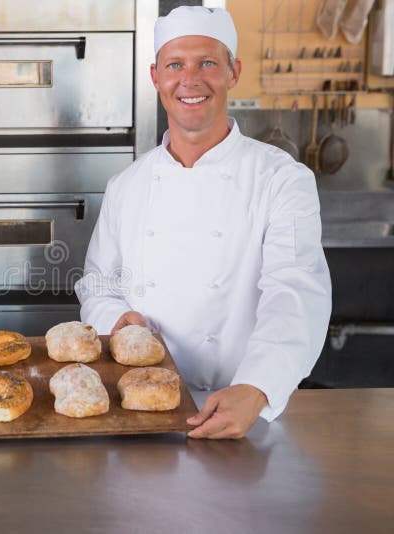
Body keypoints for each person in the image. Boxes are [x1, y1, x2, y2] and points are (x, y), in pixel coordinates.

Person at [75, 6, 331, 440]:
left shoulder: (281, 178)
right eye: (175, 65)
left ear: (234, 72)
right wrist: (116, 319)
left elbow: (296, 291)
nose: (190, 80)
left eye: (207, 63)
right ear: (156, 77)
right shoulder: (126, 185)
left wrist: (257, 386)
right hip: (139, 411)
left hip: (241, 414)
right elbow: (99, 283)